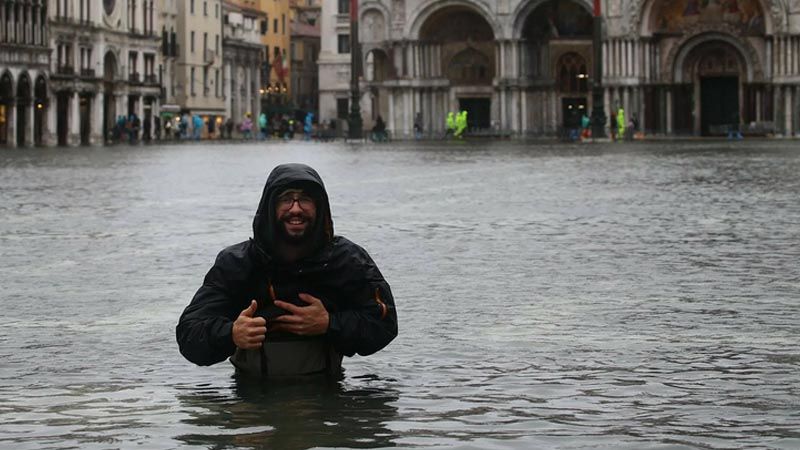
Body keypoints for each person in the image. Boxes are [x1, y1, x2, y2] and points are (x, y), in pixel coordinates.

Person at [176, 163, 398, 378]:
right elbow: (188, 334)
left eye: (305, 199)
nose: (295, 208)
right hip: (251, 399)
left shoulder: (347, 261)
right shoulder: (237, 264)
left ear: (320, 208)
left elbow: (385, 325)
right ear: (269, 208)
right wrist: (231, 333)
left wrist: (330, 323)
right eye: (286, 199)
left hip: (326, 396)